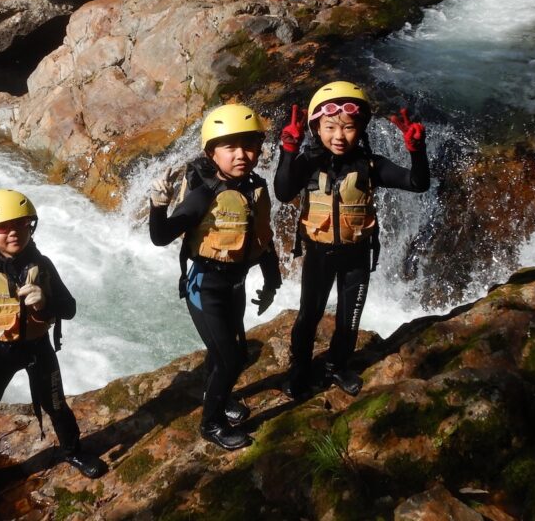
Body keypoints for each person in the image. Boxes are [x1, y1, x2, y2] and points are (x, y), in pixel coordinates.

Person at [0, 189, 107, 500]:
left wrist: (44, 305)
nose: (14, 233)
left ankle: (73, 450)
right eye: (2, 228)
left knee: (56, 404)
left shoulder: (42, 266)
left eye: (20, 225)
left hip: (38, 349)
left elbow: (69, 308)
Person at [274, 81, 430, 399]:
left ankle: (337, 366)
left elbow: (417, 183)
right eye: (330, 126)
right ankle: (299, 368)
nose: (339, 136)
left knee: (349, 319)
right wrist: (288, 151)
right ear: (316, 128)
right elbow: (283, 191)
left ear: (360, 129)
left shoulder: (371, 166)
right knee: (308, 317)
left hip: (357, 255)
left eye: (348, 127)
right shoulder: (309, 162)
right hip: (318, 254)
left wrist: (417, 151)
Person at [149, 103, 282, 450]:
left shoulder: (254, 188)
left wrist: (272, 283)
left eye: (250, 145)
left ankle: (220, 397)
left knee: (224, 351)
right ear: (211, 153)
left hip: (234, 286)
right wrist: (157, 206)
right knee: (232, 358)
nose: (242, 155)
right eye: (231, 148)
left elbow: (263, 242)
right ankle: (211, 424)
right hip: (206, 288)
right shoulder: (203, 195)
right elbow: (162, 237)